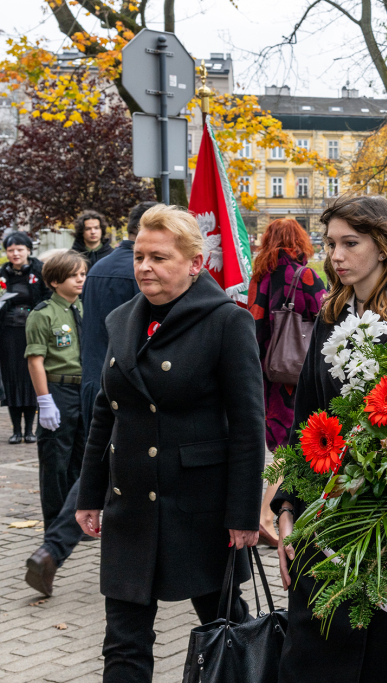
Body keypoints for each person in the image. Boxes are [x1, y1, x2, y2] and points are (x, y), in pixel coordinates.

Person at [75, 204, 264, 682]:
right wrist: (89, 494)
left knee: (225, 627)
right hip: (131, 504)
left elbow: (248, 426)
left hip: (197, 509)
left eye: (159, 257)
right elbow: (106, 410)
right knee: (123, 640)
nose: (144, 267)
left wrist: (244, 516)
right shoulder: (122, 319)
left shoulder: (227, 322)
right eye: (140, 256)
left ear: (195, 262)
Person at [272, 195, 387, 683]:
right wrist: (286, 511)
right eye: (329, 243)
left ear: (383, 247)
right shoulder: (329, 316)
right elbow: (307, 424)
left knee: (379, 663)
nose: (335, 255)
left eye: (350, 243)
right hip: (323, 526)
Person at [24, 201, 154, 597]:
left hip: (94, 380)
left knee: (99, 466)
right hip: (130, 385)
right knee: (101, 468)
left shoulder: (97, 269)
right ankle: (56, 548)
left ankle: (53, 551)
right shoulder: (143, 271)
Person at [249, 218, 327, 547]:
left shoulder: (259, 277)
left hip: (269, 369)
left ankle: (267, 511)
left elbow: (253, 320)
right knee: (288, 442)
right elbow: (327, 313)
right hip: (297, 372)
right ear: (299, 241)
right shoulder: (305, 275)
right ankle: (266, 515)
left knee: (279, 436)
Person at [25, 250, 89, 533]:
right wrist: (44, 400)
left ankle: (76, 522)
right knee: (55, 462)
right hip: (58, 389)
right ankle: (56, 526)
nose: (80, 280)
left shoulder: (84, 308)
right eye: (73, 275)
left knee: (81, 457)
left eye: (82, 274)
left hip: (83, 389)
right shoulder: (43, 314)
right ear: (54, 280)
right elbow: (35, 360)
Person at [0, 232, 48, 444]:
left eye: (20, 249)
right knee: (12, 378)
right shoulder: (2, 274)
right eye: (11, 250)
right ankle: (16, 430)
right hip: (9, 333)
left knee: (30, 377)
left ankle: (30, 429)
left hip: (32, 330)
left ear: (29, 250)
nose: (15, 253)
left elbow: (47, 297)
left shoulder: (40, 270)